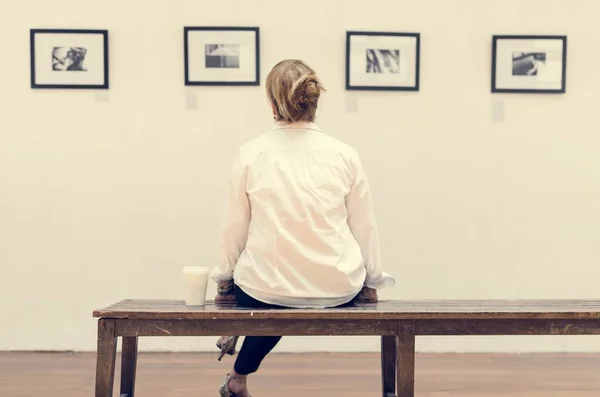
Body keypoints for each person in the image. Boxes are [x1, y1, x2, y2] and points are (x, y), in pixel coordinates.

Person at [209, 59, 395, 397]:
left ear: (271, 104)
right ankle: (236, 376)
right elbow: (364, 224)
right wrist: (373, 279)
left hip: (264, 287)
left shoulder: (251, 153)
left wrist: (224, 281)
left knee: (272, 296)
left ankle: (238, 368)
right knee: (284, 295)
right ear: (315, 102)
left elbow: (234, 227)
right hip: (337, 286)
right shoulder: (344, 155)